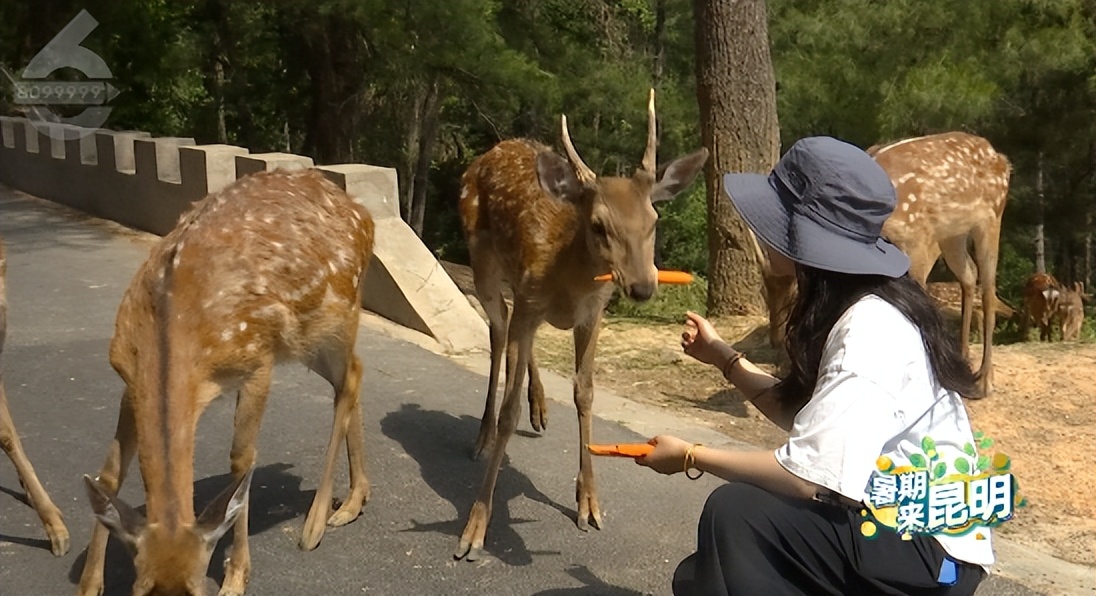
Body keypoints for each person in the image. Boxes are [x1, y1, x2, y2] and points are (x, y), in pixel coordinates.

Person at [635, 136, 992, 596]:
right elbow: (802, 417)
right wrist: (723, 356)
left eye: (775, 220)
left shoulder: (871, 329)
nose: (763, 233)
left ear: (804, 236)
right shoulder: (859, 303)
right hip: (900, 534)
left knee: (736, 513)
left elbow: (807, 477)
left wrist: (689, 455)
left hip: (933, 556)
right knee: (700, 577)